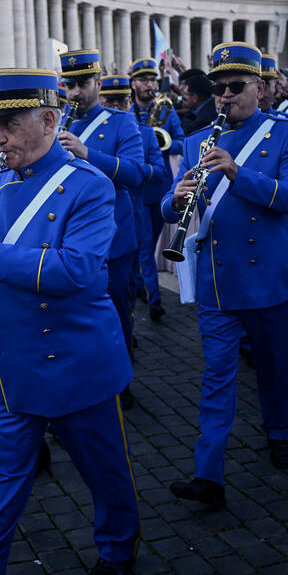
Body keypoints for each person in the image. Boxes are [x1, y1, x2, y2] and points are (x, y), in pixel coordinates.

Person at [0, 67, 140, 575]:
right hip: (15, 369)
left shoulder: (88, 186)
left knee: (107, 477)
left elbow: (79, 271)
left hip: (77, 368)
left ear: (49, 120)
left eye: (9, 126)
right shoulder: (1, 182)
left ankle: (118, 550)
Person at [164, 43, 288, 509]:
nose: (225, 96)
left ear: (262, 89)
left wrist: (237, 172)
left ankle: (278, 431)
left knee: (274, 370)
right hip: (220, 280)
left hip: (271, 277)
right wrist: (177, 198)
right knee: (216, 377)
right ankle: (208, 475)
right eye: (219, 88)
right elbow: (173, 204)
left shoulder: (287, 134)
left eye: (235, 87)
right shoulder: (196, 140)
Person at [60, 50, 144, 407]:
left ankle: (121, 380)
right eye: (70, 85)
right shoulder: (58, 122)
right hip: (68, 238)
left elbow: (136, 174)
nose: (75, 93)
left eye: (82, 84)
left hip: (113, 238)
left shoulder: (121, 122)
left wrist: (86, 153)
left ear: (97, 83)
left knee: (116, 314)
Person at [101, 75, 170, 324]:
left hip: (134, 211)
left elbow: (161, 172)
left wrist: (138, 171)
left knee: (138, 266)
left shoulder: (146, 133)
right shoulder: (88, 134)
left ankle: (152, 303)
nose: (118, 108)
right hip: (104, 215)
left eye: (122, 102)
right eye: (111, 102)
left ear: (130, 102)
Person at [130, 57, 184, 154]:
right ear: (133, 84)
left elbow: (182, 143)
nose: (150, 85)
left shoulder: (167, 109)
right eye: (143, 80)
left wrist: (164, 144)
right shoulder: (127, 113)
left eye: (153, 80)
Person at [178, 68, 217, 134]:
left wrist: (187, 116)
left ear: (195, 98)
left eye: (185, 95)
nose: (184, 98)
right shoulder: (212, 106)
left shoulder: (202, 121)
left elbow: (188, 133)